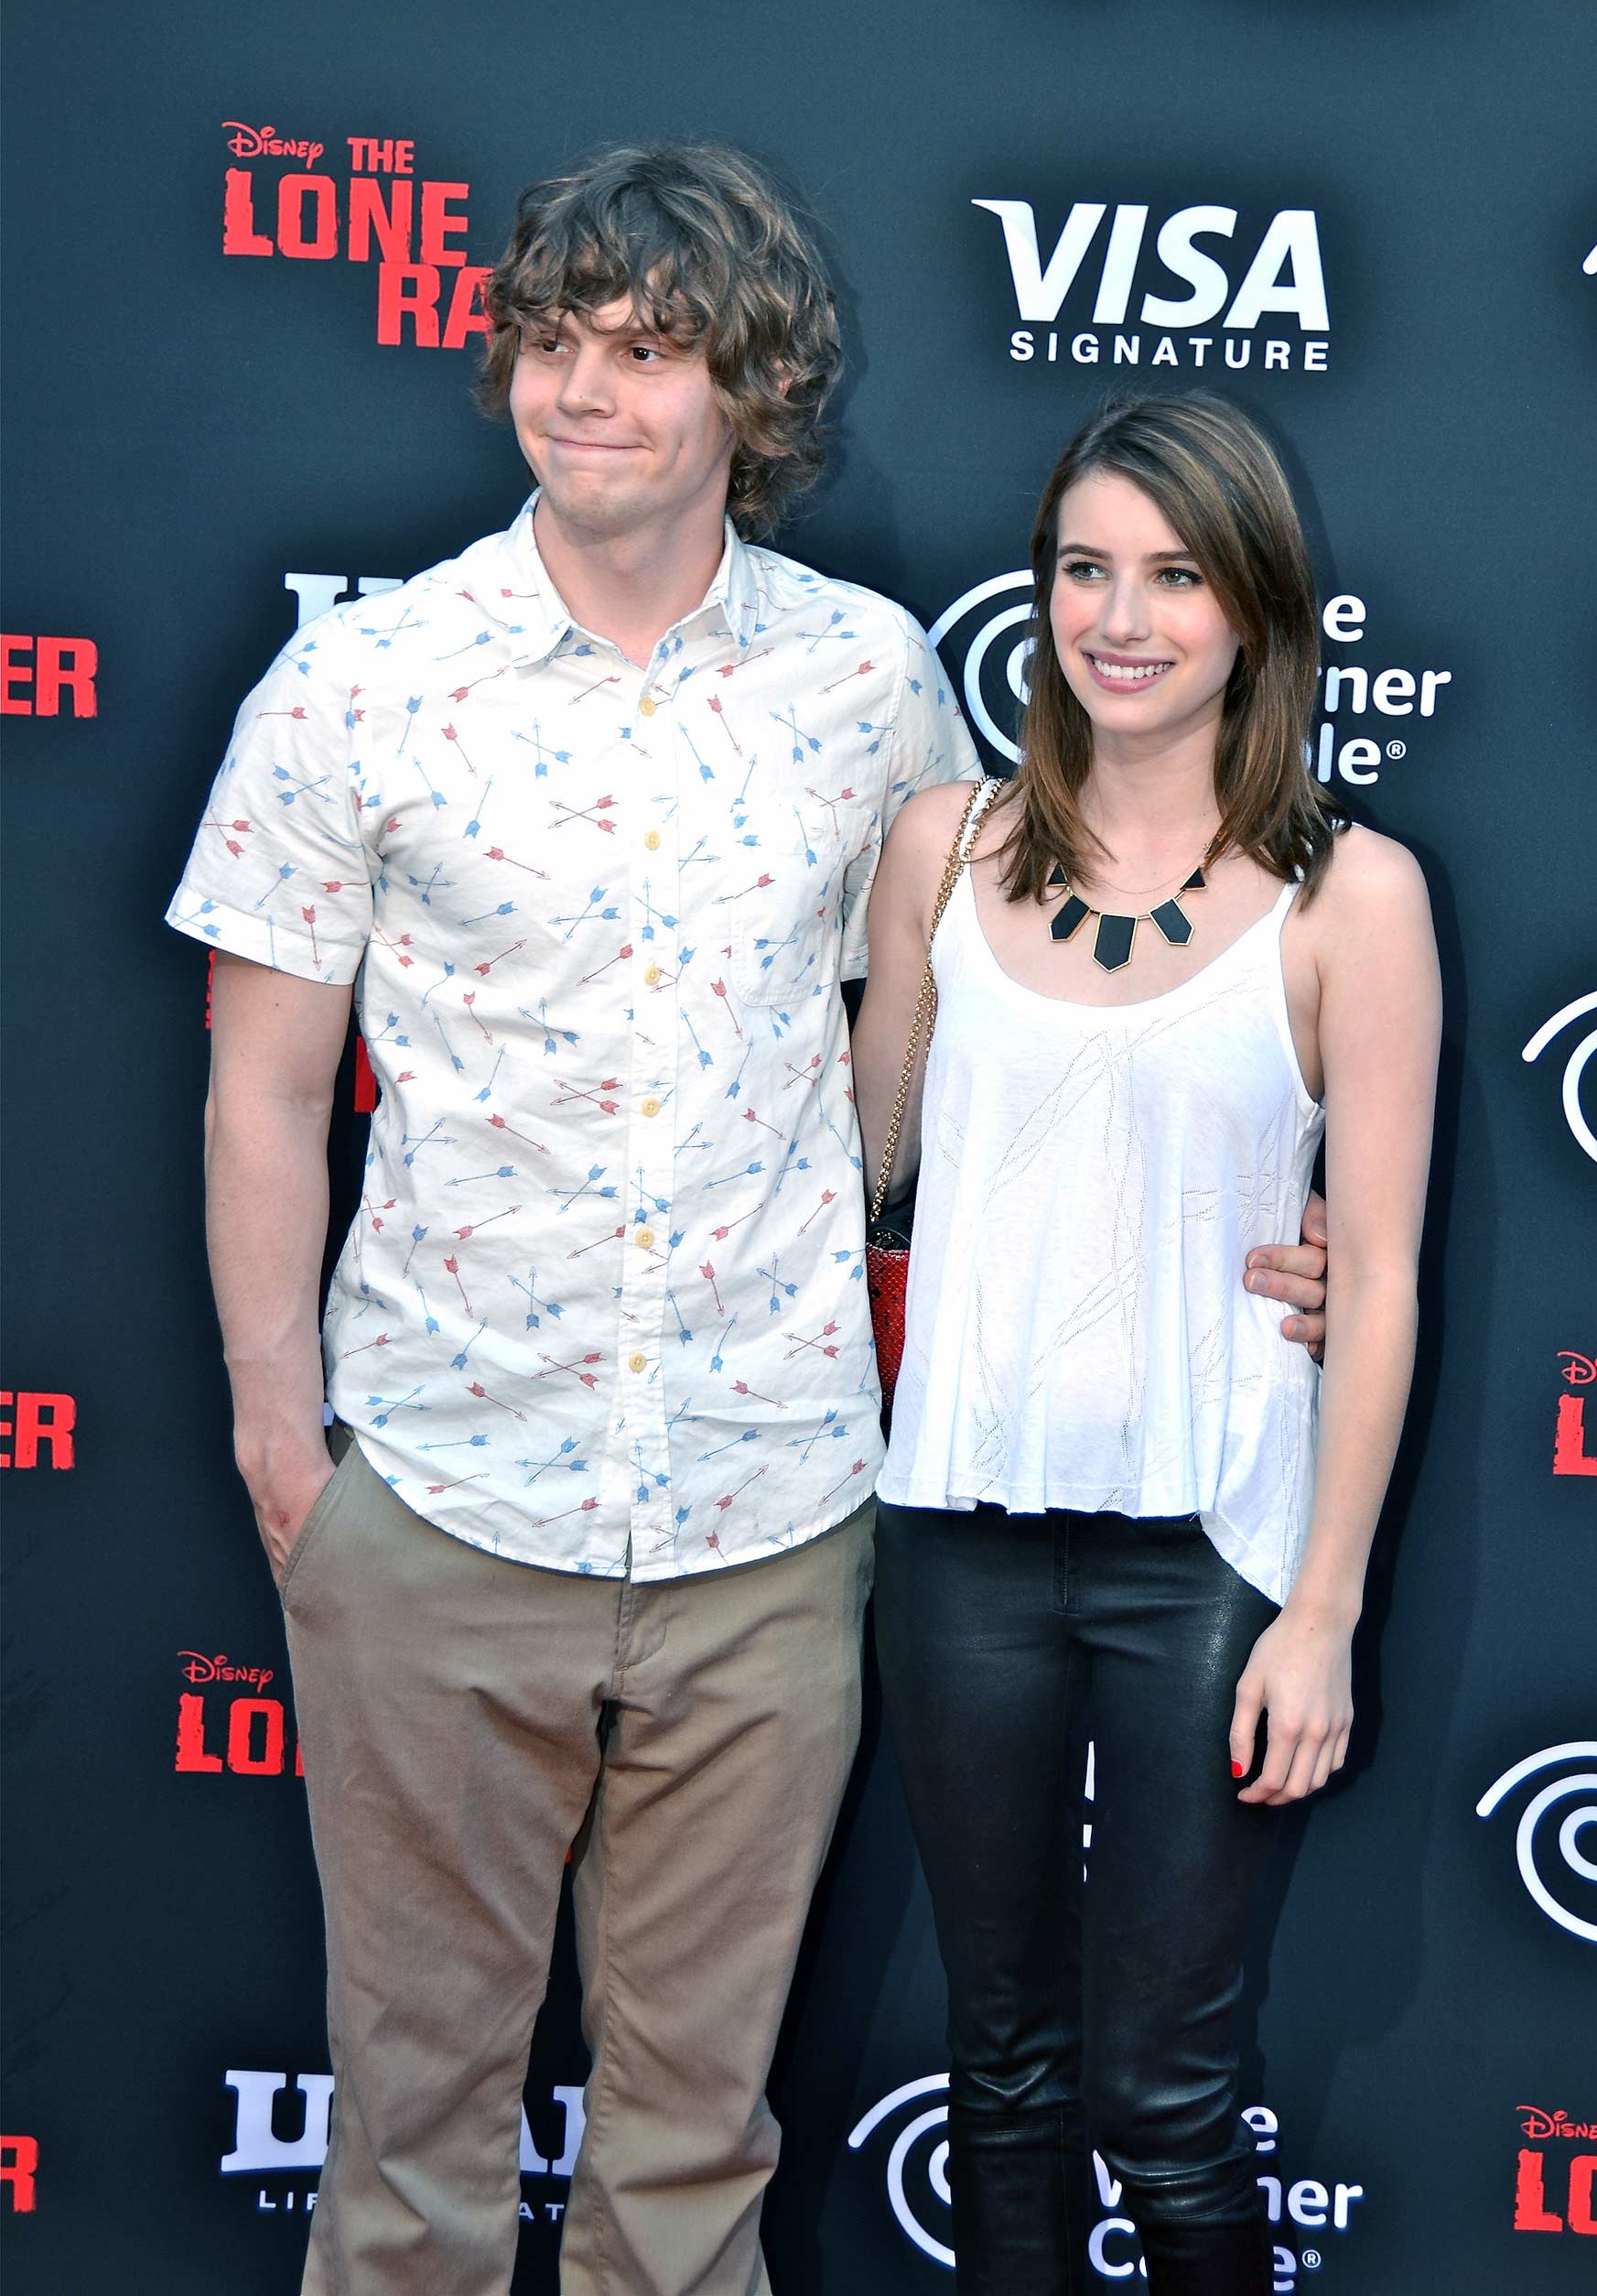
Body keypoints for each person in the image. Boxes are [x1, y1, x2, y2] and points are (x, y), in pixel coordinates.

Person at [167, 144, 1328, 2296]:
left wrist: (1273, 1219)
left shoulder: (871, 687)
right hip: (437, 1495)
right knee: (406, 2158)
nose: (578, 389)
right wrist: (278, 1445)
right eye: (548, 338)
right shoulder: (362, 686)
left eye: (643, 348)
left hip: (774, 1526)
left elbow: (980, 1063)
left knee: (694, 2163)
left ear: (752, 393)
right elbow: (254, 1089)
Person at [853, 391, 1440, 2296]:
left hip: (1208, 1549)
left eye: (1175, 574)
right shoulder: (941, 845)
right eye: (1085, 569)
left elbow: (1390, 1282)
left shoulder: (1356, 894)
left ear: (1254, 610)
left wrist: (1326, 1611)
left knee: (1169, 2097)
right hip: (957, 1536)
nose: (1122, 616)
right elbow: (869, 1164)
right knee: (1000, 2072)